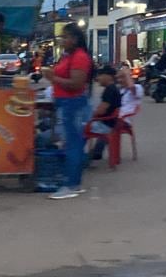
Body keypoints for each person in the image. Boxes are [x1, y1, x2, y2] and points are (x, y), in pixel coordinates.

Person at [41, 23, 93, 200]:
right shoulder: (68, 56)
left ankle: (71, 184)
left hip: (72, 103)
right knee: (72, 143)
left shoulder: (79, 57)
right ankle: (73, 183)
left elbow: (76, 84)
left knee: (72, 145)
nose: (62, 41)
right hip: (66, 102)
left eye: (65, 37)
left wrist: (52, 77)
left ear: (74, 39)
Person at [87, 65, 123, 163]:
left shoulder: (109, 90)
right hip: (110, 123)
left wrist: (89, 117)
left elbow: (101, 110)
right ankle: (95, 152)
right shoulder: (113, 88)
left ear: (109, 76)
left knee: (77, 128)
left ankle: (77, 157)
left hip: (105, 124)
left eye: (100, 75)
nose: (98, 78)